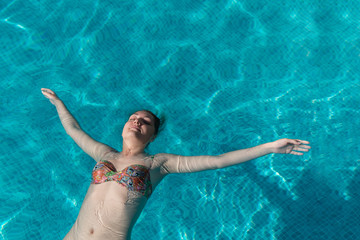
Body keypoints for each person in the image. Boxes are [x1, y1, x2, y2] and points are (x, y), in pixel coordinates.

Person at [41, 88, 311, 240]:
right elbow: (74, 130)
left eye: (145, 121)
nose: (137, 121)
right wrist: (58, 103)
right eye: (133, 117)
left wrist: (268, 148)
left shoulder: (159, 163)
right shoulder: (104, 155)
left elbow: (216, 161)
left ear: (153, 135)